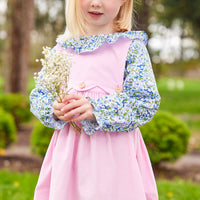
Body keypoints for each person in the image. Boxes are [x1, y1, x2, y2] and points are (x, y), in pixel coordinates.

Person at [30, 0, 161, 199]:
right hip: (69, 157)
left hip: (114, 155)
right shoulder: (62, 49)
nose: (95, 3)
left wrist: (95, 108)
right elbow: (40, 94)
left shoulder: (130, 48)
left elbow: (144, 102)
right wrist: (54, 108)